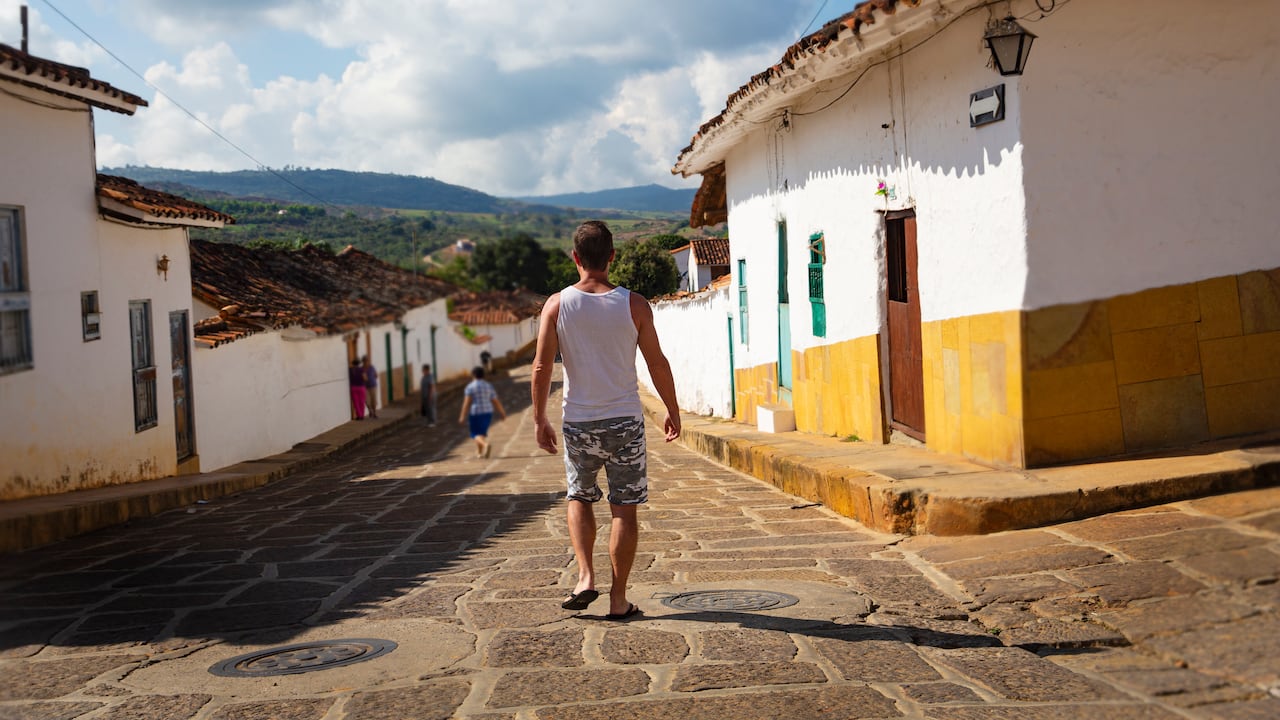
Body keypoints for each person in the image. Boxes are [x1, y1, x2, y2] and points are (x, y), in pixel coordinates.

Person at [531, 220, 680, 620]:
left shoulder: (557, 304)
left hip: (579, 422)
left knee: (579, 496)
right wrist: (672, 408)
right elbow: (656, 362)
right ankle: (619, 597)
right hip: (625, 422)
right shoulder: (634, 304)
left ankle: (584, 577)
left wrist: (539, 418)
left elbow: (542, 365)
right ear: (613, 256)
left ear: (575, 258)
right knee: (623, 509)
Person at [459, 366, 506, 458]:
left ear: (473, 375)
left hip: (476, 412)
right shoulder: (488, 386)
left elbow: (466, 402)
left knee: (475, 434)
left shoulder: (470, 387)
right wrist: (502, 412)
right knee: (481, 433)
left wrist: (462, 416)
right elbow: (495, 400)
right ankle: (480, 452)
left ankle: (485, 445)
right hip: (488, 412)